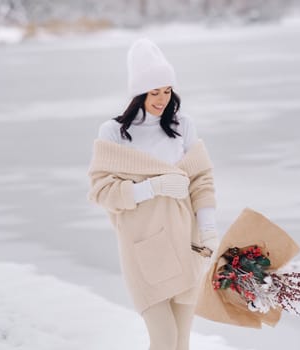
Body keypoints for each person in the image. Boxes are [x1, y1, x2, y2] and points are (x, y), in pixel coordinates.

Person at [87, 38, 219, 350]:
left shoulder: (182, 126)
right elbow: (101, 192)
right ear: (138, 93)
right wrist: (151, 188)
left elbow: (202, 180)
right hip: (142, 246)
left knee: (182, 341)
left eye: (167, 90)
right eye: (154, 92)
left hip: (187, 241)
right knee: (164, 339)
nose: (161, 99)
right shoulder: (114, 133)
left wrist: (209, 227)